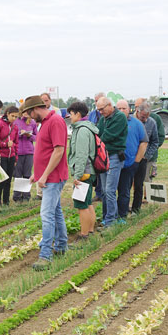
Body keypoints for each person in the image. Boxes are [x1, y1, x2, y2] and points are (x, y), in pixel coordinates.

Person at [25, 95, 69, 271]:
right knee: (56, 212)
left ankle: (45, 255)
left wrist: (44, 176)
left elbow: (59, 151)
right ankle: (61, 246)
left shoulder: (55, 121)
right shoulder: (45, 123)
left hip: (53, 178)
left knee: (47, 215)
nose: (29, 117)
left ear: (35, 109)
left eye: (29, 113)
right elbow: (45, 151)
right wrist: (37, 174)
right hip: (47, 177)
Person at [66, 101, 98, 242]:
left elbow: (81, 155)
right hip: (89, 171)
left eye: (71, 114)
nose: (69, 117)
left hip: (84, 172)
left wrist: (77, 175)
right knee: (88, 203)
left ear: (78, 114)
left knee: (81, 205)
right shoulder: (87, 128)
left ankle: (84, 235)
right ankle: (90, 231)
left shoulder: (82, 130)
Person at [95, 96, 127, 228]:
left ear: (109, 105)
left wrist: (97, 143)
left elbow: (108, 135)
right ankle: (106, 217)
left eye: (102, 109)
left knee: (110, 190)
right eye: (98, 110)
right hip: (104, 157)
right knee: (104, 190)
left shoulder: (120, 117)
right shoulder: (103, 119)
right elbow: (98, 133)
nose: (100, 112)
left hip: (114, 156)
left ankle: (110, 220)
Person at [116, 99, 147, 220]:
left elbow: (144, 143)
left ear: (129, 109)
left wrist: (136, 162)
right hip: (112, 164)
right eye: (119, 109)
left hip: (129, 164)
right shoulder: (110, 122)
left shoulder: (137, 124)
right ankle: (110, 216)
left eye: (124, 108)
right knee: (110, 192)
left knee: (124, 191)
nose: (122, 111)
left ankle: (122, 216)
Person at [131, 100, 158, 214]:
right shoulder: (129, 121)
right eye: (143, 117)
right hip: (130, 158)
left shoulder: (152, 123)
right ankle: (123, 209)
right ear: (137, 111)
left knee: (139, 185)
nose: (145, 119)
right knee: (126, 185)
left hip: (142, 160)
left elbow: (155, 141)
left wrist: (146, 156)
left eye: (147, 117)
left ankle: (136, 210)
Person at [0, 106, 19, 206]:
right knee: (2, 179)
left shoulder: (15, 127)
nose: (14, 118)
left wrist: (15, 157)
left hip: (11, 156)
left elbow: (16, 143)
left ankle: (6, 201)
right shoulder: (0, 124)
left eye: (16, 117)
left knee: (9, 179)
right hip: (2, 155)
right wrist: (5, 144)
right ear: (7, 114)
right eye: (12, 116)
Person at [12, 109, 37, 202]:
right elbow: (12, 136)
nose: (26, 114)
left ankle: (26, 195)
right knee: (18, 175)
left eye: (28, 112)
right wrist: (20, 133)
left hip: (29, 152)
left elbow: (36, 137)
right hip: (18, 152)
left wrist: (29, 135)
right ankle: (17, 196)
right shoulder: (16, 121)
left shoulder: (32, 122)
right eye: (24, 112)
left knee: (27, 174)